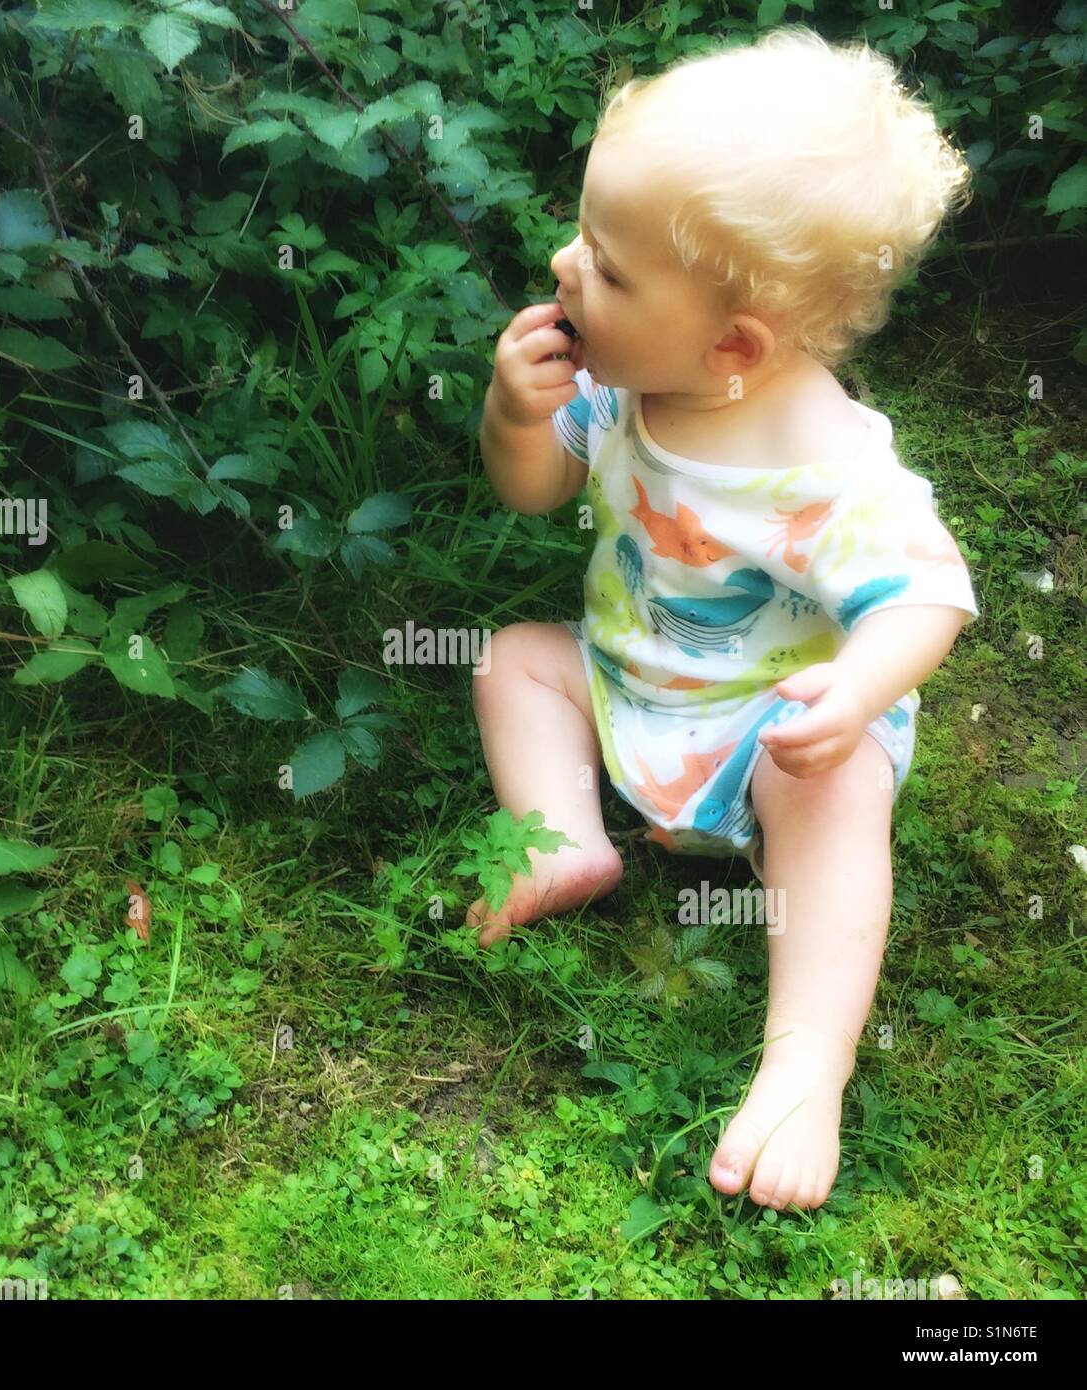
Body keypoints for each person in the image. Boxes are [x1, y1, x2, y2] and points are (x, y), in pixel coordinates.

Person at [471, 26, 979, 1211]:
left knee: (837, 787)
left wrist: (853, 692)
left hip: (769, 735)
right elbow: (536, 488)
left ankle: (807, 1061)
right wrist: (511, 415)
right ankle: (567, 839)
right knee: (510, 661)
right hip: (626, 689)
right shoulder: (631, 387)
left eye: (605, 265)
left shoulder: (821, 465)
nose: (563, 265)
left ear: (734, 346)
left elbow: (929, 592)